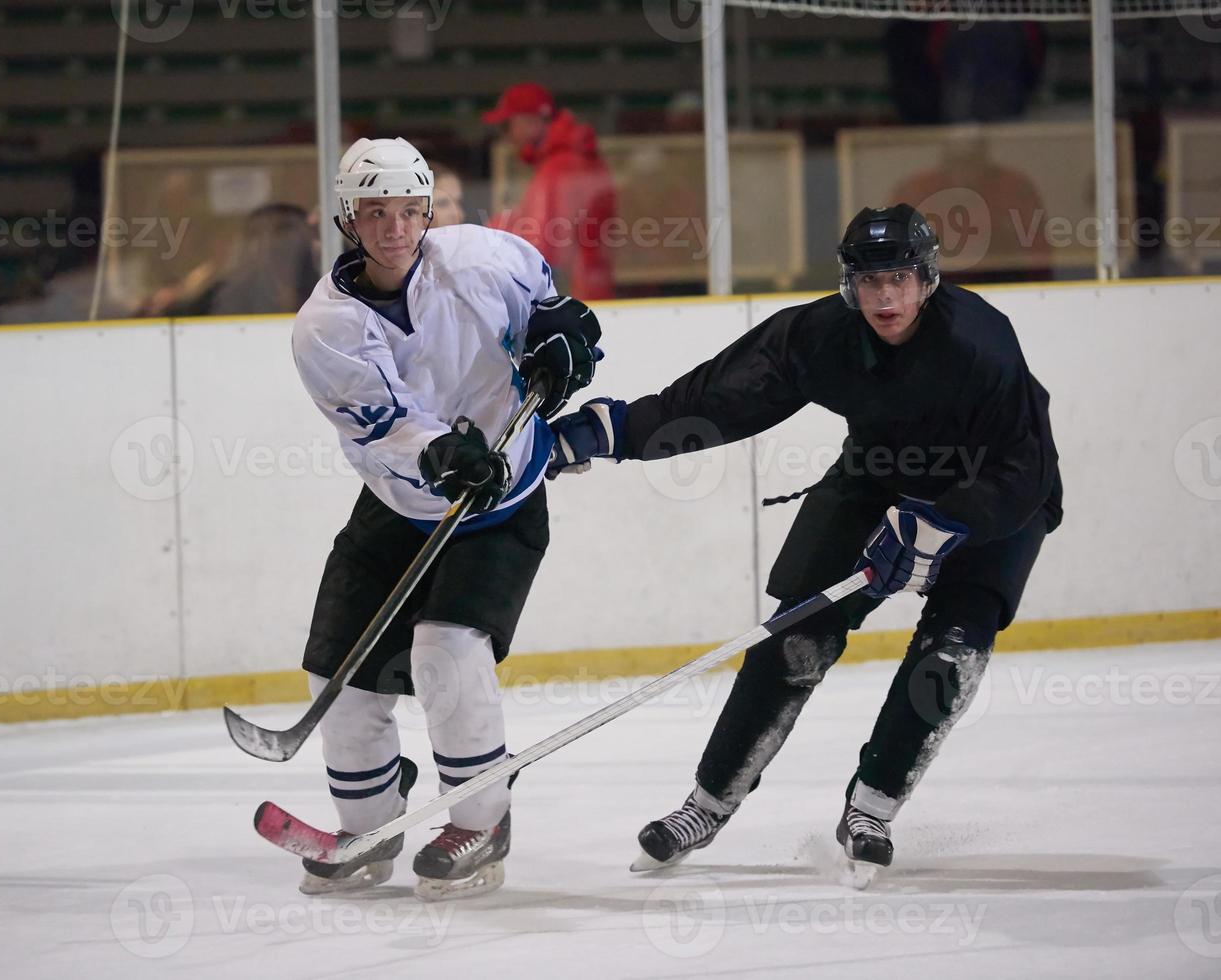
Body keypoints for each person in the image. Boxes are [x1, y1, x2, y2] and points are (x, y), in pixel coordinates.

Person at [546, 204, 1062, 875]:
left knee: (950, 652)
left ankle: (871, 806)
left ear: (926, 278)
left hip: (994, 497)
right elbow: (721, 398)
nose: (885, 296)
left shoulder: (980, 343)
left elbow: (1026, 465)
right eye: (869, 281)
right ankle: (708, 803)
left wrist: (942, 524)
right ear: (849, 283)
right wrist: (615, 433)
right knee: (794, 633)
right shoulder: (821, 334)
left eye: (899, 278)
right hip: (876, 475)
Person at [290, 137, 602, 900]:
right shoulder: (325, 328)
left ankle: (480, 820)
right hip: (398, 504)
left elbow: (549, 303)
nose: (394, 228)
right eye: (374, 212)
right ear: (346, 218)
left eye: (408, 210)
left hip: (503, 504)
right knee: (340, 678)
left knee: (446, 654)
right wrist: (439, 453)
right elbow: (383, 429)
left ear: (428, 209)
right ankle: (368, 824)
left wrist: (565, 335)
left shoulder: (483, 258)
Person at [484, 82, 616, 301]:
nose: (506, 136)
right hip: (587, 289)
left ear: (531, 122)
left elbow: (545, 247)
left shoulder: (560, 166)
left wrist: (495, 233)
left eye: (507, 126)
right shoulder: (570, 158)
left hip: (576, 297)